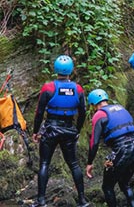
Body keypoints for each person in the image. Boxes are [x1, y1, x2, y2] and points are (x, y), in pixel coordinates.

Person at [31, 55, 88, 207]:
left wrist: (35, 132)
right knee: (74, 164)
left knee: (44, 164)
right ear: (71, 70)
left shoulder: (49, 88)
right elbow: (82, 113)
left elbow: (39, 112)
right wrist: (77, 130)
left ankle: (41, 200)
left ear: (55, 69)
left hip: (50, 129)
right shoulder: (78, 89)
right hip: (69, 129)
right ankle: (82, 200)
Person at [86, 89, 134, 207]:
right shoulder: (121, 108)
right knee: (125, 183)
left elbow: (94, 143)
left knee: (107, 187)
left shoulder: (99, 114)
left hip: (121, 150)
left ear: (93, 104)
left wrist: (90, 162)